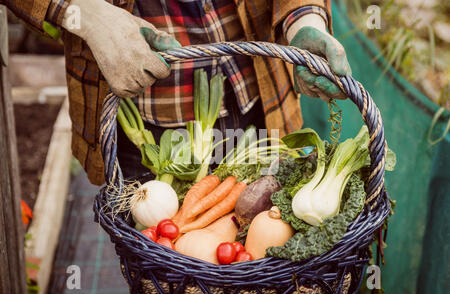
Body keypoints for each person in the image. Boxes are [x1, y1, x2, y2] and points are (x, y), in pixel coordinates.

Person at [1, 0, 351, 183]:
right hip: (142, 115)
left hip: (260, 92)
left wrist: (304, 20)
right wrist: (83, 12)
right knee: (162, 269)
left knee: (264, 270)